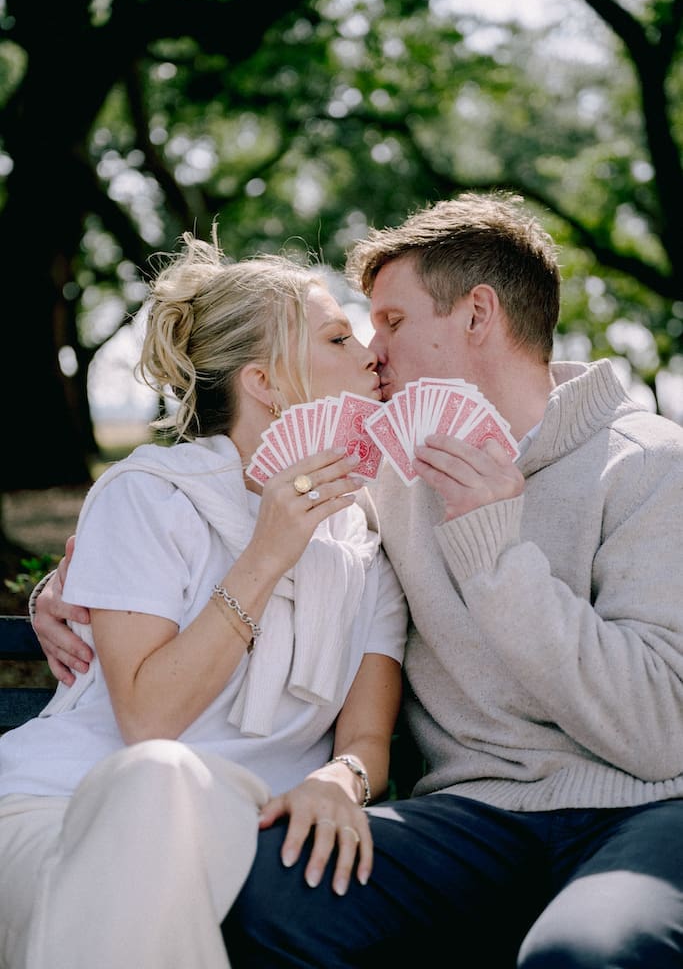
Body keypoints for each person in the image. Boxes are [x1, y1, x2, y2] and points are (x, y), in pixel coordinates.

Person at [30, 191, 683, 968]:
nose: (374, 350)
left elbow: (656, 734)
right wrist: (62, 593)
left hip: (639, 811)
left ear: (477, 315)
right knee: (258, 890)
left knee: (585, 957)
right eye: (359, 329)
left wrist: (493, 552)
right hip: (467, 819)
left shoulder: (648, 466)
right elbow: (243, 507)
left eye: (393, 322)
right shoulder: (386, 482)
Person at [0, 232, 408, 969]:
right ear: (267, 383)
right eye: (339, 337)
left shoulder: (365, 536)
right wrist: (266, 554)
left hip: (243, 818)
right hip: (64, 809)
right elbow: (150, 722)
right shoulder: (150, 495)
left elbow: (366, 742)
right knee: (157, 779)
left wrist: (337, 779)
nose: (370, 352)